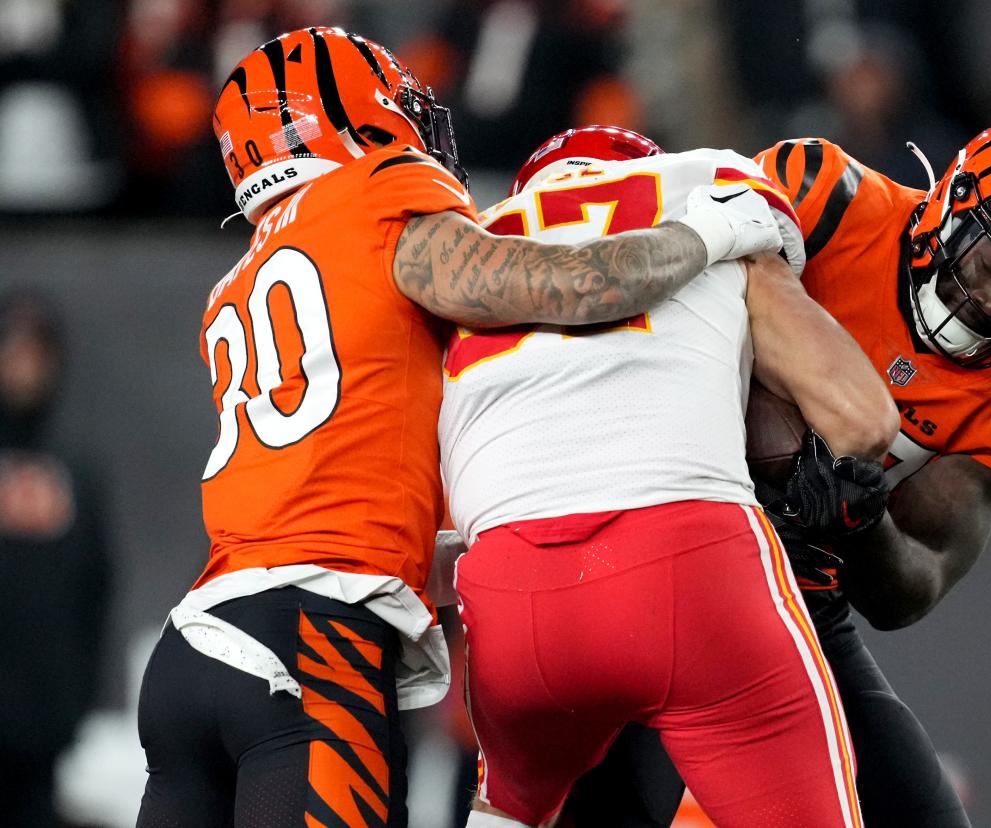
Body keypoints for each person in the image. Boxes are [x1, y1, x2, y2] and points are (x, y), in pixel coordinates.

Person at [135, 28, 786, 827]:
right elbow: (564, 287)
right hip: (309, 649)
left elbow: (340, 487)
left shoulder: (233, 285)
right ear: (349, 114)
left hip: (193, 652)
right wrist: (710, 234)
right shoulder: (375, 192)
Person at [563, 114, 991, 827]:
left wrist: (863, 525)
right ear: (952, 202)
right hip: (657, 543)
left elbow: (908, 590)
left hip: (797, 592)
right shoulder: (826, 197)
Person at [440, 125, 899, 828]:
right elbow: (862, 419)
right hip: (688, 562)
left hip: (511, 594)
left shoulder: (465, 256)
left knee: (507, 808)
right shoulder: (712, 198)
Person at [0, 288, 112, 828]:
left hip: (43, 725)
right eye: (12, 349)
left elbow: (97, 587)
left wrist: (79, 698)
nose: (23, 366)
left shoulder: (76, 471)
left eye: (35, 352)